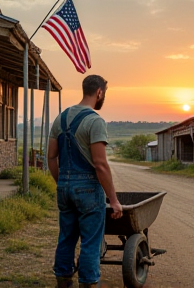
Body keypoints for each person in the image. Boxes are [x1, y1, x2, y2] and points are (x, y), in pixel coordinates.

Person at [47, 75, 123, 288]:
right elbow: (100, 164)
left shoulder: (60, 119)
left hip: (64, 186)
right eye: (104, 94)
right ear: (99, 92)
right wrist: (114, 200)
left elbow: (51, 157)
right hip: (88, 189)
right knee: (90, 242)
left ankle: (63, 282)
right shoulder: (95, 121)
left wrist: (62, 182)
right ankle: (88, 284)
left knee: (66, 238)